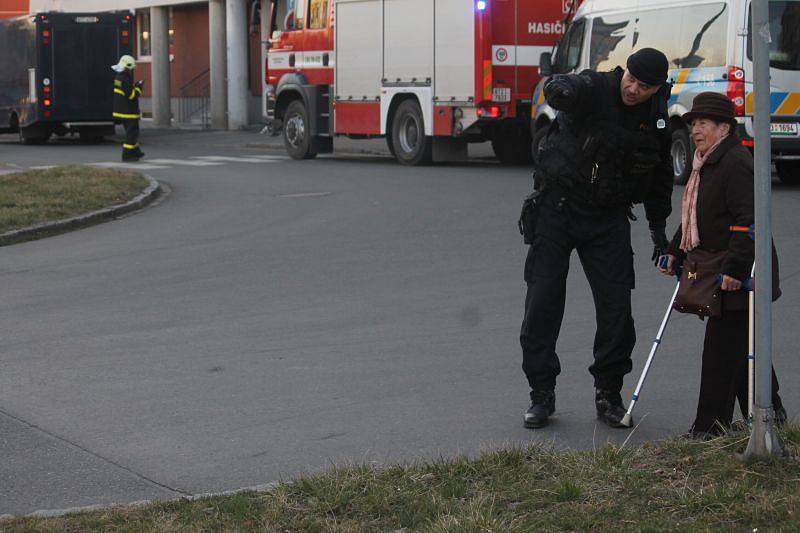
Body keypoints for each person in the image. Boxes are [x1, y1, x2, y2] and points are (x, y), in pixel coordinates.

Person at [520, 48, 674, 429]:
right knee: (543, 300)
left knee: (616, 306)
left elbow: (659, 181)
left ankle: (609, 393)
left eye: (644, 86)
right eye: (631, 80)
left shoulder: (656, 121)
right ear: (624, 72)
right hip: (558, 209)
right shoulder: (596, 86)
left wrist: (658, 230)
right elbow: (563, 86)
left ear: (657, 88)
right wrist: (560, 89)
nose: (634, 90)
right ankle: (541, 394)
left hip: (607, 219)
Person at [659, 92, 787, 438]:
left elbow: (750, 222)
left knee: (721, 349)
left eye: (703, 124)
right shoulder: (705, 163)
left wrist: (734, 269)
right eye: (693, 124)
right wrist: (675, 250)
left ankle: (709, 427)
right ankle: (772, 417)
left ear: (724, 128)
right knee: (742, 346)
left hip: (742, 271)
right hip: (725, 267)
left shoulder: (734, 163)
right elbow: (697, 216)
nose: (696, 130)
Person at [111, 55, 145, 162]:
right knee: (132, 133)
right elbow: (131, 95)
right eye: (131, 68)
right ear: (127, 67)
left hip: (121, 111)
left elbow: (125, 92)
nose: (132, 70)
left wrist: (133, 86)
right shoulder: (125, 78)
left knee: (132, 132)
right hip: (128, 112)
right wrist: (139, 87)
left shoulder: (118, 78)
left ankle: (136, 152)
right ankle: (127, 155)